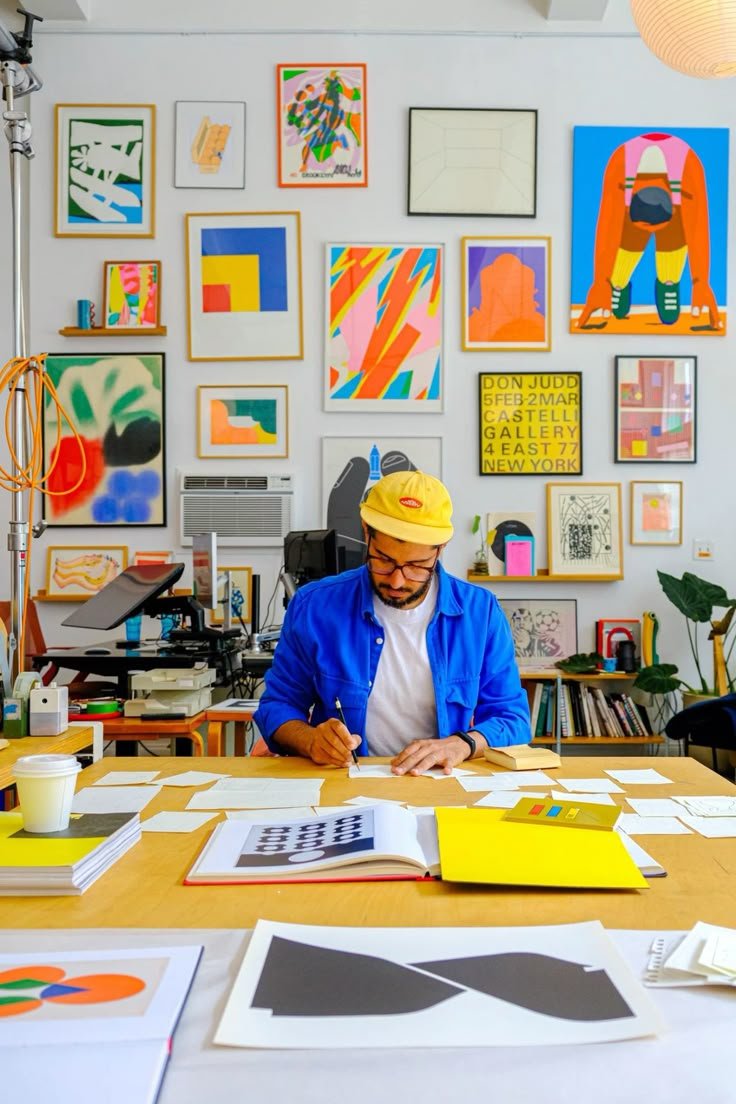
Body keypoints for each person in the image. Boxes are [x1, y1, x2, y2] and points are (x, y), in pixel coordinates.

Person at [254, 471, 530, 775]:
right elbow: (276, 707)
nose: (397, 580)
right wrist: (311, 741)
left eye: (415, 566)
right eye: (384, 560)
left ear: (441, 549)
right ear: (366, 532)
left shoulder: (481, 612)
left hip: (442, 782)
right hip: (345, 782)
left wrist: (460, 744)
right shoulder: (313, 607)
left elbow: (512, 719)